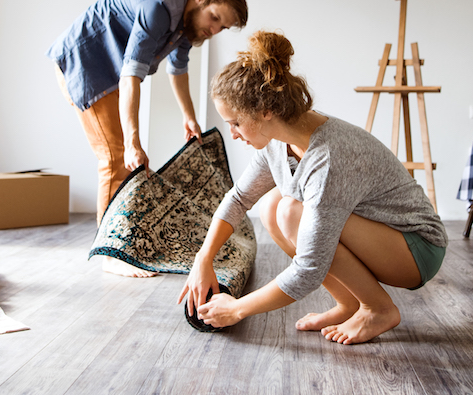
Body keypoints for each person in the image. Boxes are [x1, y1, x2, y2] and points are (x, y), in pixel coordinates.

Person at [178, 31, 446, 344]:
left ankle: (377, 309)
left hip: (416, 249)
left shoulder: (329, 156)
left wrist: (238, 309)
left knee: (291, 212)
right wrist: (203, 259)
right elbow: (238, 199)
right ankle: (349, 304)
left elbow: (309, 268)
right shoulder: (277, 142)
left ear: (265, 111)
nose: (233, 133)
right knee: (272, 207)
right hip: (382, 239)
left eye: (235, 123)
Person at [48, 0, 248, 276]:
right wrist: (133, 140)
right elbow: (132, 74)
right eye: (215, 18)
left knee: (126, 160)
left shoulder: (185, 26)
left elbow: (178, 70)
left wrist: (189, 117)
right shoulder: (158, 9)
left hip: (109, 73)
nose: (214, 31)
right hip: (84, 65)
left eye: (222, 28)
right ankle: (110, 254)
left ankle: (122, 240)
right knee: (116, 158)